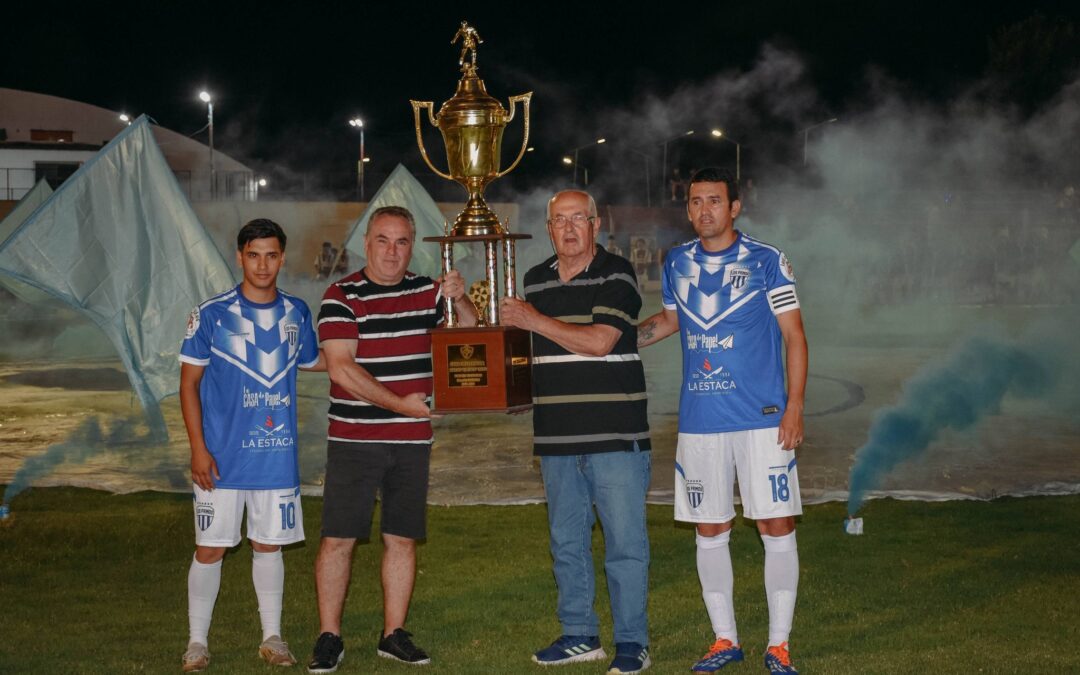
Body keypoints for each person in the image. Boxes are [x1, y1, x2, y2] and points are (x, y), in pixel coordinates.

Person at [637, 167, 808, 674]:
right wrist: (620, 340)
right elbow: (670, 320)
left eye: (714, 200)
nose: (704, 210)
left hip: (763, 419)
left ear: (735, 207)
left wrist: (795, 404)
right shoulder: (676, 262)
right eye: (695, 202)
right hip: (701, 418)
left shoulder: (767, 260)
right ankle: (724, 639)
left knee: (776, 525)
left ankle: (778, 644)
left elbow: (794, 336)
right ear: (687, 208)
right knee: (710, 529)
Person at [306, 205, 476, 673]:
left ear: (412, 244)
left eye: (402, 242)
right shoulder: (342, 295)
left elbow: (468, 335)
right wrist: (403, 404)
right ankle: (329, 636)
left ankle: (393, 633)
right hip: (354, 437)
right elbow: (342, 368)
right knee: (338, 539)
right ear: (367, 244)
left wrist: (459, 299)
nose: (392, 251)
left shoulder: (428, 292)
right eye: (383, 240)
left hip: (410, 442)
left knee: (401, 538)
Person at [500, 190, 652, 675]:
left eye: (578, 219)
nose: (568, 228)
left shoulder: (617, 273)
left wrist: (533, 318)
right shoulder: (535, 280)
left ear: (595, 224)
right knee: (567, 543)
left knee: (624, 544)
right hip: (556, 436)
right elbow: (517, 348)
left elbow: (601, 342)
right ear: (548, 229)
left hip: (615, 433)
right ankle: (579, 635)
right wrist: (461, 301)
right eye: (559, 220)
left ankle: (633, 643)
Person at [179, 218, 322, 672]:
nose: (263, 264)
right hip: (219, 458)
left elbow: (320, 362)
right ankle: (197, 642)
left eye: (272, 254)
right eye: (254, 254)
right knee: (211, 548)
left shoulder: (297, 312)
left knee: (269, 545)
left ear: (283, 257)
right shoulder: (213, 314)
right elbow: (188, 385)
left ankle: (273, 637)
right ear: (239, 256)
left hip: (275, 454)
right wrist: (198, 448)